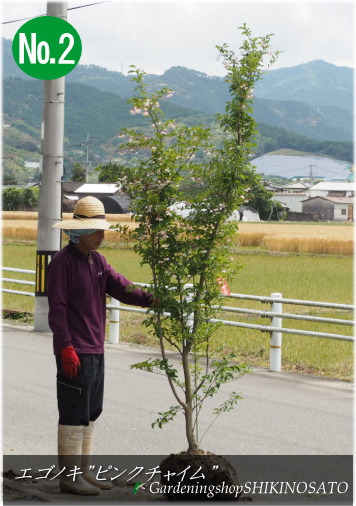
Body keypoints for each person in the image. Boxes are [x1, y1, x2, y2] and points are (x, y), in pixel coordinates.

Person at [47, 196, 153, 496]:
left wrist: (153, 299)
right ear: (79, 233)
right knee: (73, 410)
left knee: (92, 409)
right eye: (97, 231)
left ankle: (83, 471)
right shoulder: (61, 263)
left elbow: (122, 287)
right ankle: (69, 477)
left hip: (95, 347)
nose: (103, 235)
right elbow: (57, 309)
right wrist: (65, 347)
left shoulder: (97, 261)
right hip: (75, 349)